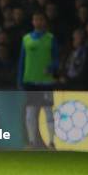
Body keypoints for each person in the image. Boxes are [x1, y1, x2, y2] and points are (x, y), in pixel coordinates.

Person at [18, 12, 58, 149]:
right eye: (36, 19)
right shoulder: (26, 39)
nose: (38, 22)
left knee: (48, 111)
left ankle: (51, 142)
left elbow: (56, 59)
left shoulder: (50, 38)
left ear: (44, 21)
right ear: (32, 21)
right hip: (30, 81)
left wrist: (52, 67)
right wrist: (20, 80)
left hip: (46, 82)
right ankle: (32, 142)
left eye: (41, 19)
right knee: (30, 113)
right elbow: (22, 61)